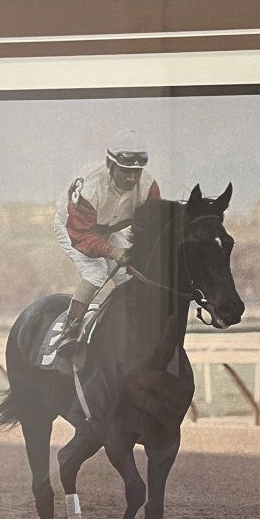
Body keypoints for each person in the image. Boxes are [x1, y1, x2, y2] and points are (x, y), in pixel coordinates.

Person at [51, 128, 160, 355]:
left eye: (136, 172)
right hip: (73, 228)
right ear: (111, 166)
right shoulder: (91, 186)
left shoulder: (149, 187)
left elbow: (152, 230)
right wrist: (113, 252)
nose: (131, 178)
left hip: (110, 229)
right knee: (96, 274)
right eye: (124, 172)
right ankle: (67, 333)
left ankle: (133, 328)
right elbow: (82, 237)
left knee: (130, 276)